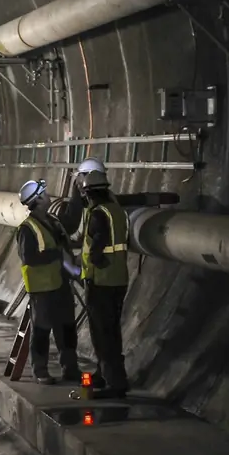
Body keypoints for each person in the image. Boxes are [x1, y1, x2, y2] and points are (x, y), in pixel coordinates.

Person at [16, 179, 80, 385]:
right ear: (39, 199)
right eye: (44, 192)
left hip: (60, 283)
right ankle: (40, 371)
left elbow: (70, 222)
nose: (48, 194)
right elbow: (30, 258)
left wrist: (76, 192)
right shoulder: (27, 228)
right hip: (42, 288)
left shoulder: (53, 220)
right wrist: (57, 255)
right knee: (42, 329)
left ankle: (70, 368)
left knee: (67, 327)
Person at [79, 170, 131, 398]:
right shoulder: (117, 212)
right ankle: (104, 373)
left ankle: (115, 382)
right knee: (111, 329)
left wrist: (90, 264)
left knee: (102, 333)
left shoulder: (98, 214)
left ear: (88, 193)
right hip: (119, 278)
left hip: (101, 281)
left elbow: (96, 249)